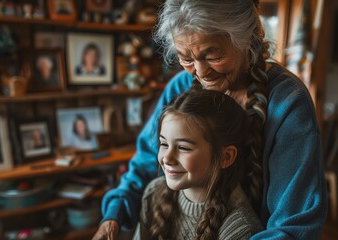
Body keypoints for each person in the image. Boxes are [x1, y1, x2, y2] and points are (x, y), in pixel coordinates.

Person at [93, 0, 327, 239]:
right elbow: (145, 161)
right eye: (186, 58)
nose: (201, 73)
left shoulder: (287, 102)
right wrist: (114, 215)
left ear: (245, 38)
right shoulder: (181, 87)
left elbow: (294, 223)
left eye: (212, 55)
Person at [133, 89, 263, 239]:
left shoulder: (241, 230)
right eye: (164, 144)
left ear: (226, 157)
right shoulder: (153, 193)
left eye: (183, 148)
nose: (167, 158)